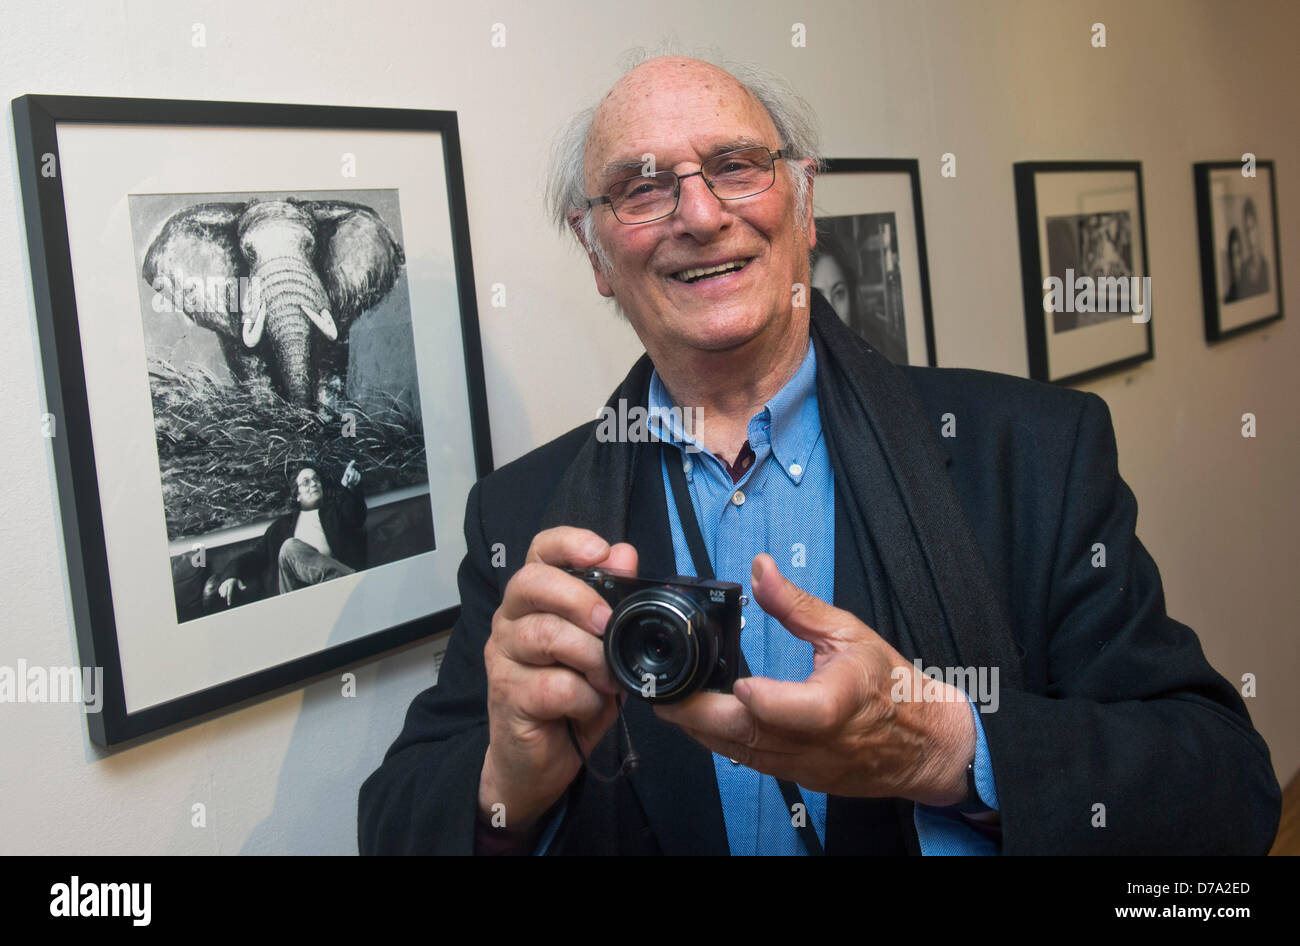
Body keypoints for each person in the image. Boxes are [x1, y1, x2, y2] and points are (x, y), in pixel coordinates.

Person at [358, 54, 1281, 855]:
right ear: (596, 252)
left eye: (735, 167)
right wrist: (510, 786)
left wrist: (944, 751)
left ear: (804, 206)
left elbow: (1225, 792)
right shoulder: (527, 516)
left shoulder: (1030, 451)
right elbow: (397, 822)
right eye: (642, 187)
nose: (699, 213)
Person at [216, 460, 366, 605]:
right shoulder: (279, 528)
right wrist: (231, 575)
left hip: (331, 594)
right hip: (295, 599)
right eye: (306, 482)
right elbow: (254, 557)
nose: (313, 484)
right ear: (297, 495)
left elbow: (356, 517)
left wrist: (350, 489)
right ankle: (351, 581)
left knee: (290, 547)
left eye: (316, 479)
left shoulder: (335, 512)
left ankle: (347, 582)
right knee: (290, 547)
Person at [1238, 198, 1270, 298]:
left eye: (1251, 228)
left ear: (1257, 229)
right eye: (1246, 230)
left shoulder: (1267, 267)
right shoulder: (1243, 269)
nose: (1249, 236)